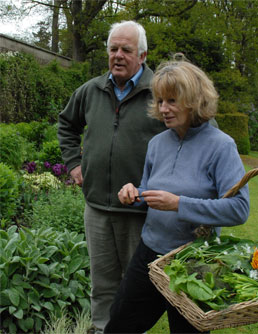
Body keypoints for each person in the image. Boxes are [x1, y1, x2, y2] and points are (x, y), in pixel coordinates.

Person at [104, 60, 250, 334]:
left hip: (193, 262)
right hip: (149, 255)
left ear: (194, 100)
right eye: (160, 101)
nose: (163, 109)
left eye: (172, 101)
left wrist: (179, 204)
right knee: (120, 325)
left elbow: (239, 209)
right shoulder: (158, 143)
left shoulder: (221, 146)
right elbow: (149, 191)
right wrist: (134, 193)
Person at [57, 21, 166, 333]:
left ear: (142, 55)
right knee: (102, 284)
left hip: (141, 212)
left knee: (138, 289)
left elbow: (193, 132)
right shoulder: (91, 91)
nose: (118, 55)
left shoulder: (160, 93)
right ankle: (102, 328)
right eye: (113, 49)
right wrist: (75, 163)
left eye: (126, 50)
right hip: (97, 209)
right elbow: (66, 125)